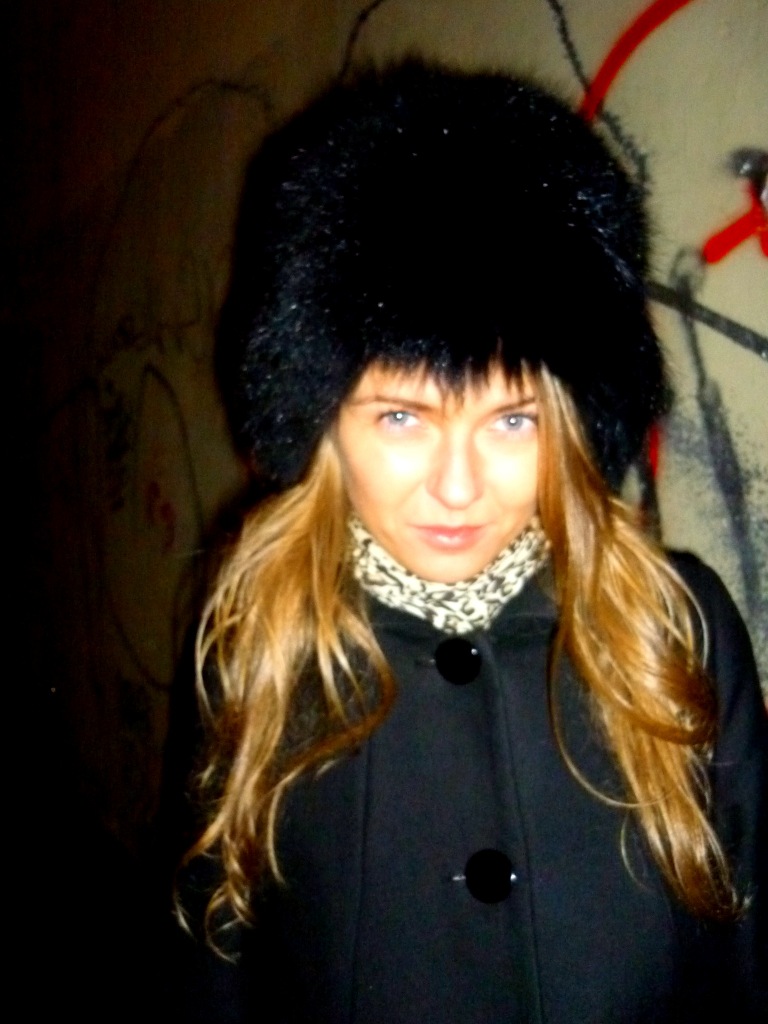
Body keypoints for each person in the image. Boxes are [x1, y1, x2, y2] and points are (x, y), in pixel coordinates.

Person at [175, 61, 767, 1023]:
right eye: (402, 418)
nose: (458, 488)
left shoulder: (678, 632)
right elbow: (216, 978)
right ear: (323, 426)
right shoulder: (256, 646)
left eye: (512, 422)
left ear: (569, 428)